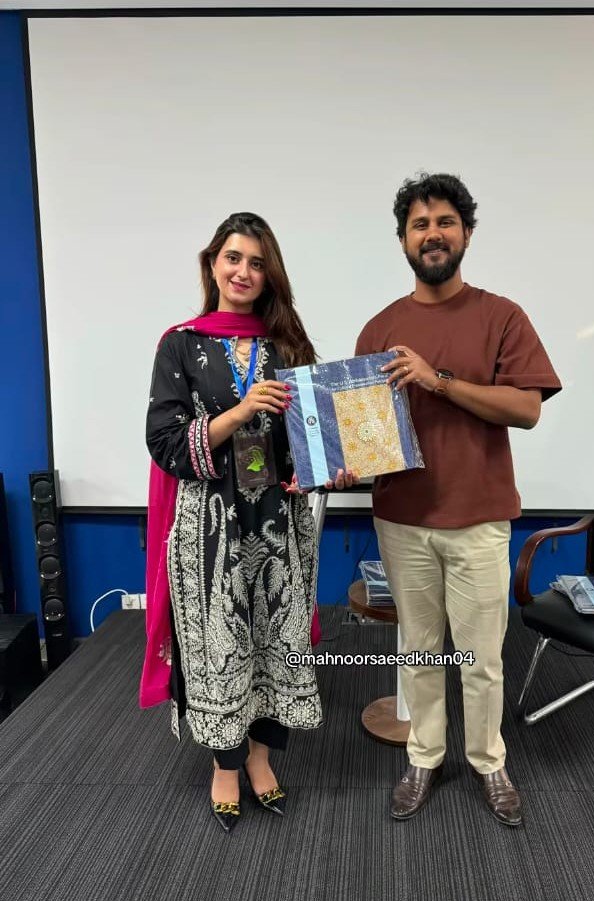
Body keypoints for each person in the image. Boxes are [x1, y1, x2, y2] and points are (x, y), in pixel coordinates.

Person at [356, 174, 561, 826]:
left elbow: (526, 408)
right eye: (419, 224)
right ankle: (424, 756)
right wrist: (333, 460)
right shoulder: (380, 327)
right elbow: (366, 436)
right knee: (418, 650)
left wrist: (438, 380)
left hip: (478, 517)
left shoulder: (502, 316)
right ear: (403, 241)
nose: (433, 234)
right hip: (402, 518)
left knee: (481, 658)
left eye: (445, 221)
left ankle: (488, 760)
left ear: (466, 233)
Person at [141, 212, 354, 832]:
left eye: (257, 263)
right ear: (212, 264)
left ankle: (262, 758)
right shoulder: (180, 344)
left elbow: (304, 447)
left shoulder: (287, 346)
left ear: (269, 275)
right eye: (233, 258)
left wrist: (328, 470)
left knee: (276, 642)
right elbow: (164, 443)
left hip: (279, 522)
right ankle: (225, 767)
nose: (243, 272)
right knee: (221, 646)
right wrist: (238, 413)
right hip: (211, 526)